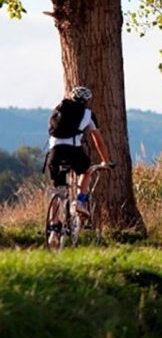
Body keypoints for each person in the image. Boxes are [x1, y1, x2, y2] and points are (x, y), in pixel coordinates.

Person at [46, 86, 111, 243]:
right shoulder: (88, 115)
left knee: (58, 190)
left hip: (54, 151)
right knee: (86, 170)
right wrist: (106, 161)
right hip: (73, 150)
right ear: (87, 100)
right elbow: (98, 141)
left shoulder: (59, 109)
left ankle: (53, 230)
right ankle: (80, 201)